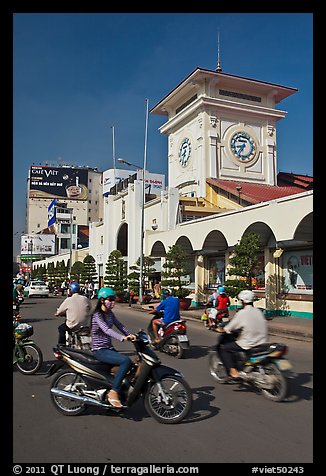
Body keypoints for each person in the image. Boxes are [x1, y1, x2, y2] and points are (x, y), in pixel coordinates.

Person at [91, 287, 136, 408]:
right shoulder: (97, 315)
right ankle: (113, 391)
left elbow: (119, 325)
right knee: (125, 361)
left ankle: (118, 391)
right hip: (99, 350)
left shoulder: (110, 314)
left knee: (131, 365)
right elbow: (106, 330)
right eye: (110, 299)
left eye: (113, 299)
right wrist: (122, 338)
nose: (113, 302)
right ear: (102, 300)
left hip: (109, 348)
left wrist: (130, 334)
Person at [216, 289, 268, 379]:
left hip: (249, 342)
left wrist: (222, 329)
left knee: (225, 349)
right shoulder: (258, 311)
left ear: (243, 301)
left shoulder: (242, 313)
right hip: (262, 341)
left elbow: (230, 327)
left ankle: (234, 372)